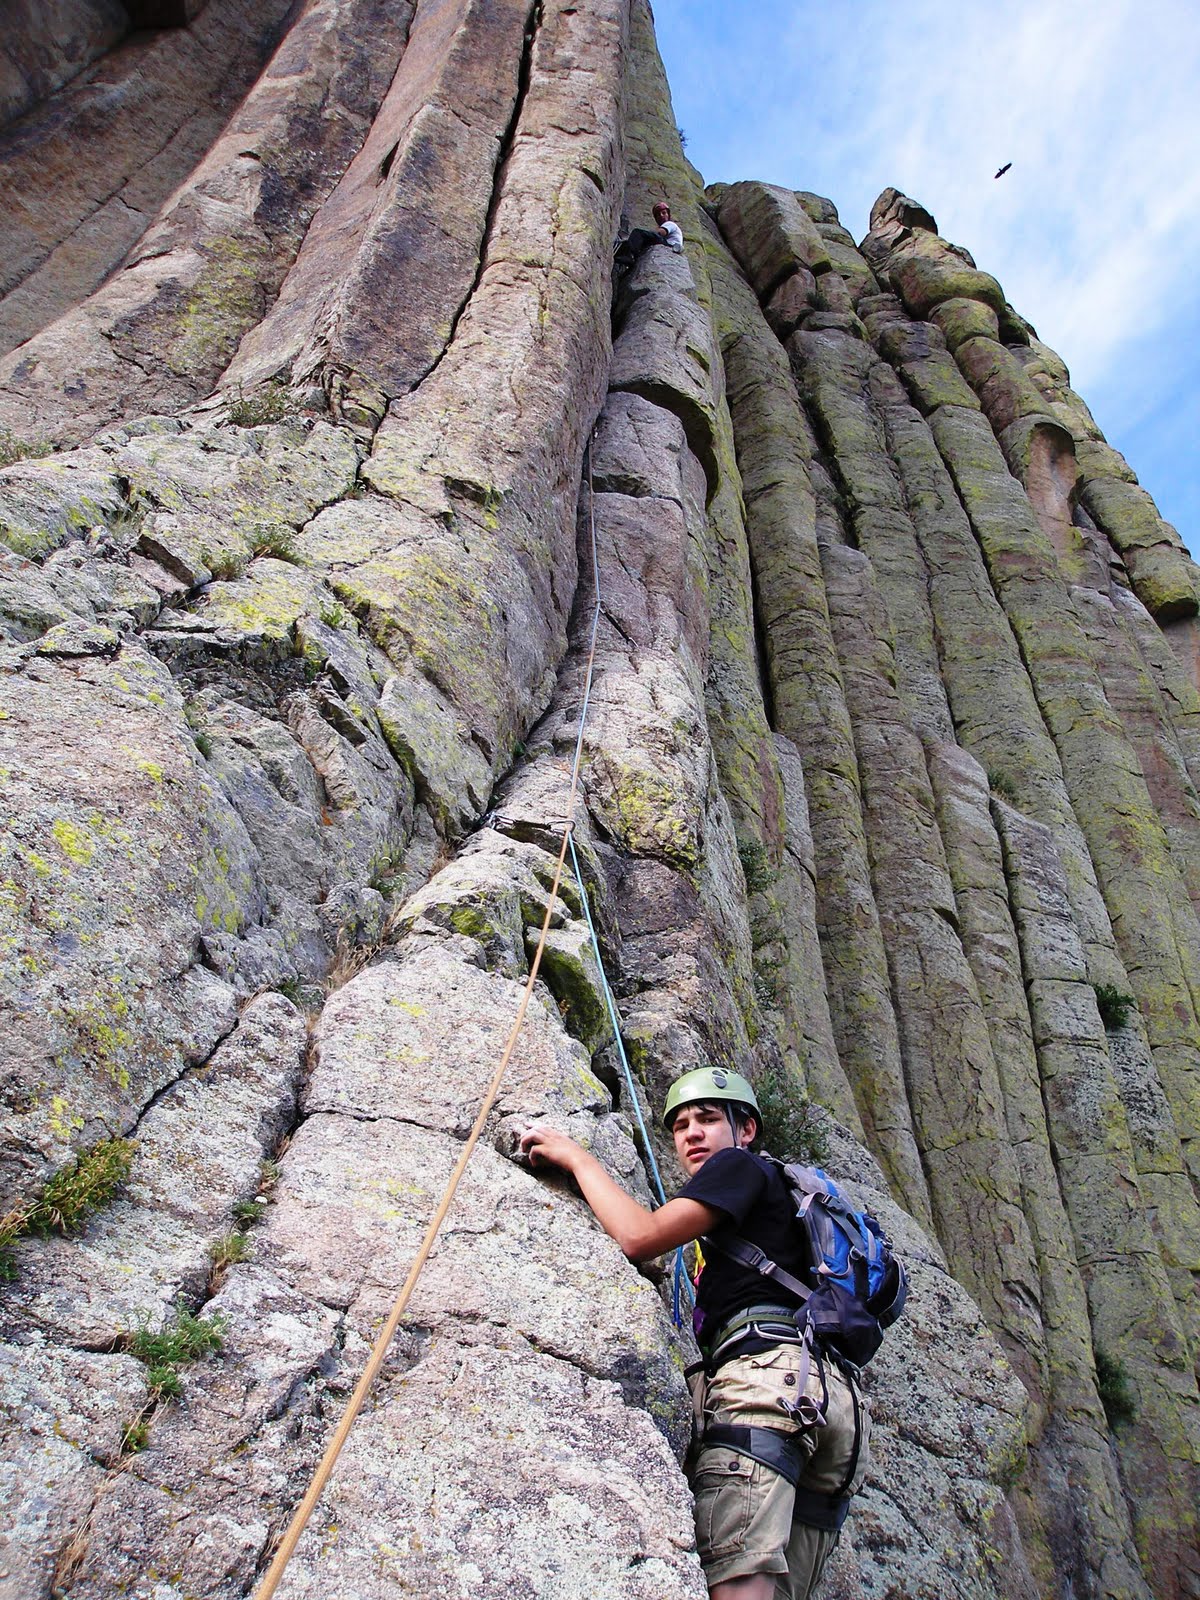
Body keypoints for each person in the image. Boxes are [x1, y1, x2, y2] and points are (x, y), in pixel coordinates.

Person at [520, 1066, 870, 1600]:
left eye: (707, 1119)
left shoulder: (739, 1167)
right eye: (681, 1126)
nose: (692, 1135)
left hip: (769, 1382)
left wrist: (577, 1157)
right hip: (838, 1408)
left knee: (740, 1583)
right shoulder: (783, 1198)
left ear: (745, 1129)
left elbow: (640, 1238)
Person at [614, 200, 685, 270]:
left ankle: (629, 256)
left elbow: (660, 233)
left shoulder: (670, 224)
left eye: (664, 213)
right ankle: (628, 259)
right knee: (634, 242)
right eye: (658, 215)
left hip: (669, 246)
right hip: (670, 246)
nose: (661, 216)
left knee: (638, 233)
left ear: (668, 215)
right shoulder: (669, 225)